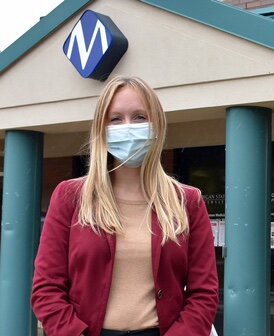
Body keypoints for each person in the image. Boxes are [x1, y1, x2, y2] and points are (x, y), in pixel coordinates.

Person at [31, 76, 219, 336]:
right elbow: (47, 288)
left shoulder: (188, 202)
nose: (128, 127)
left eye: (140, 117)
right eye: (116, 119)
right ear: (101, 128)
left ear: (157, 125)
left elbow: (204, 293)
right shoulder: (69, 197)